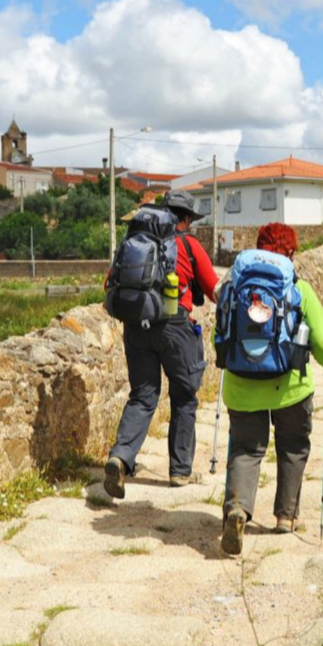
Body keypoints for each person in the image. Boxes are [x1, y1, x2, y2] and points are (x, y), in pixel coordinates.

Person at [221, 222, 323, 556]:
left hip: (241, 384)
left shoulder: (234, 284)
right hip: (290, 387)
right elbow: (321, 341)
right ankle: (286, 517)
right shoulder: (299, 289)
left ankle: (238, 509)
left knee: (246, 449)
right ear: (290, 253)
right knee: (293, 447)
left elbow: (222, 327)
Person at [104, 190, 219, 499]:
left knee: (142, 397)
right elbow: (214, 290)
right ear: (185, 218)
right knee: (184, 397)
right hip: (175, 328)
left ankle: (120, 458)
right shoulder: (189, 245)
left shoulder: (135, 242)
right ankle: (180, 471)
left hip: (136, 327)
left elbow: (109, 284)